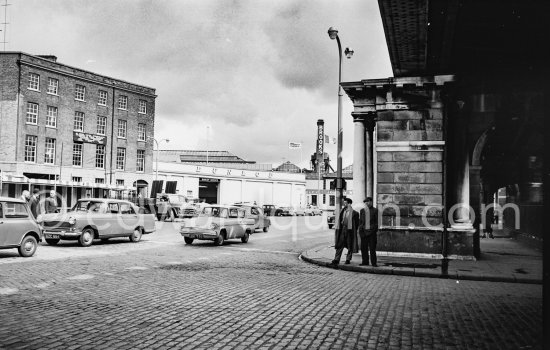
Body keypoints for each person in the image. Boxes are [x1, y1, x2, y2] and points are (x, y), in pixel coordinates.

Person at [329, 197, 359, 267]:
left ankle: (348, 259)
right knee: (339, 245)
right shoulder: (342, 211)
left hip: (350, 231)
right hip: (343, 230)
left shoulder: (355, 213)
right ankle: (336, 259)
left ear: (349, 204)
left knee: (350, 245)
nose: (344, 204)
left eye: (345, 203)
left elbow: (357, 224)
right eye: (344, 203)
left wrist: (353, 230)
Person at [359, 197, 379, 267]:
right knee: (363, 248)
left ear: (371, 202)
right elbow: (360, 221)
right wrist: (361, 230)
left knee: (372, 248)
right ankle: (365, 262)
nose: (366, 203)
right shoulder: (362, 211)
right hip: (363, 232)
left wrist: (373, 230)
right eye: (365, 202)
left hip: (371, 233)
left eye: (367, 202)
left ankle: (374, 263)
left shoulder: (375, 210)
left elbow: (377, 222)